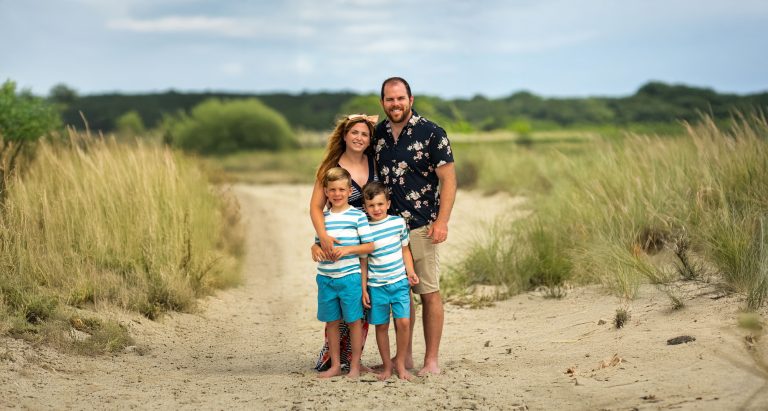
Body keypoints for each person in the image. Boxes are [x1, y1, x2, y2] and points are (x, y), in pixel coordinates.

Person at [373, 77, 457, 376]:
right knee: (401, 294)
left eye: (400, 98)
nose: (395, 104)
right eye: (389, 99)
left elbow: (449, 180)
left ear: (410, 99)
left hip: (422, 226)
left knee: (428, 292)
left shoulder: (432, 133)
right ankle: (404, 358)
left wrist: (442, 221)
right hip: (387, 229)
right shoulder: (378, 134)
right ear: (382, 102)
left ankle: (431, 360)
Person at [310, 114, 378, 373]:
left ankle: (354, 360)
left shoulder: (375, 161)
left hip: (370, 238)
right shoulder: (331, 166)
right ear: (344, 135)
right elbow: (316, 208)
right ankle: (334, 358)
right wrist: (322, 238)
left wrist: (364, 120)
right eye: (354, 132)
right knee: (337, 306)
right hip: (341, 238)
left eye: (365, 134)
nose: (359, 138)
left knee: (363, 301)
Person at [313, 167, 374, 378]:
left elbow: (369, 246)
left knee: (354, 322)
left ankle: (355, 365)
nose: (337, 194)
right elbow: (317, 243)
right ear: (326, 192)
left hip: (350, 278)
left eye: (341, 189)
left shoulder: (358, 216)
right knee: (332, 322)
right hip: (326, 278)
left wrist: (347, 250)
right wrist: (315, 249)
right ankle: (336, 365)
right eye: (332, 190)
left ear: (350, 191)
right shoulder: (323, 219)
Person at [360, 181, 420, 381]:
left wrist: (410, 272)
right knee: (381, 326)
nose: (376, 209)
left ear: (388, 203)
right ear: (365, 207)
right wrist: (364, 288)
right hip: (377, 286)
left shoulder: (398, 223)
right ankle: (387, 366)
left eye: (380, 204)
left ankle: (400, 364)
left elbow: (405, 250)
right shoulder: (365, 229)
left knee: (403, 322)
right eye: (371, 205)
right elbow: (364, 261)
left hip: (400, 283)